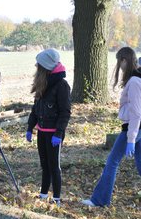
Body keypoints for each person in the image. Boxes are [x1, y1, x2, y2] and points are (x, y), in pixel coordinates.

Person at [81, 47, 141, 207]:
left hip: (133, 128)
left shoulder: (135, 81)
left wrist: (131, 139)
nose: (119, 66)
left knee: (112, 161)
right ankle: (100, 199)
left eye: (119, 61)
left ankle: (100, 200)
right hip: (136, 128)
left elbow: (136, 113)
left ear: (124, 60)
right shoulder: (136, 79)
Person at [26, 48, 71, 206]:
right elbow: (35, 109)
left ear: (45, 67)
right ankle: (43, 195)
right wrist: (30, 127)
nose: (36, 67)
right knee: (44, 165)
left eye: (38, 65)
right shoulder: (42, 84)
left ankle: (57, 198)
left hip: (54, 134)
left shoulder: (61, 86)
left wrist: (59, 133)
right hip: (41, 132)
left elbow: (65, 112)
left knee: (54, 166)